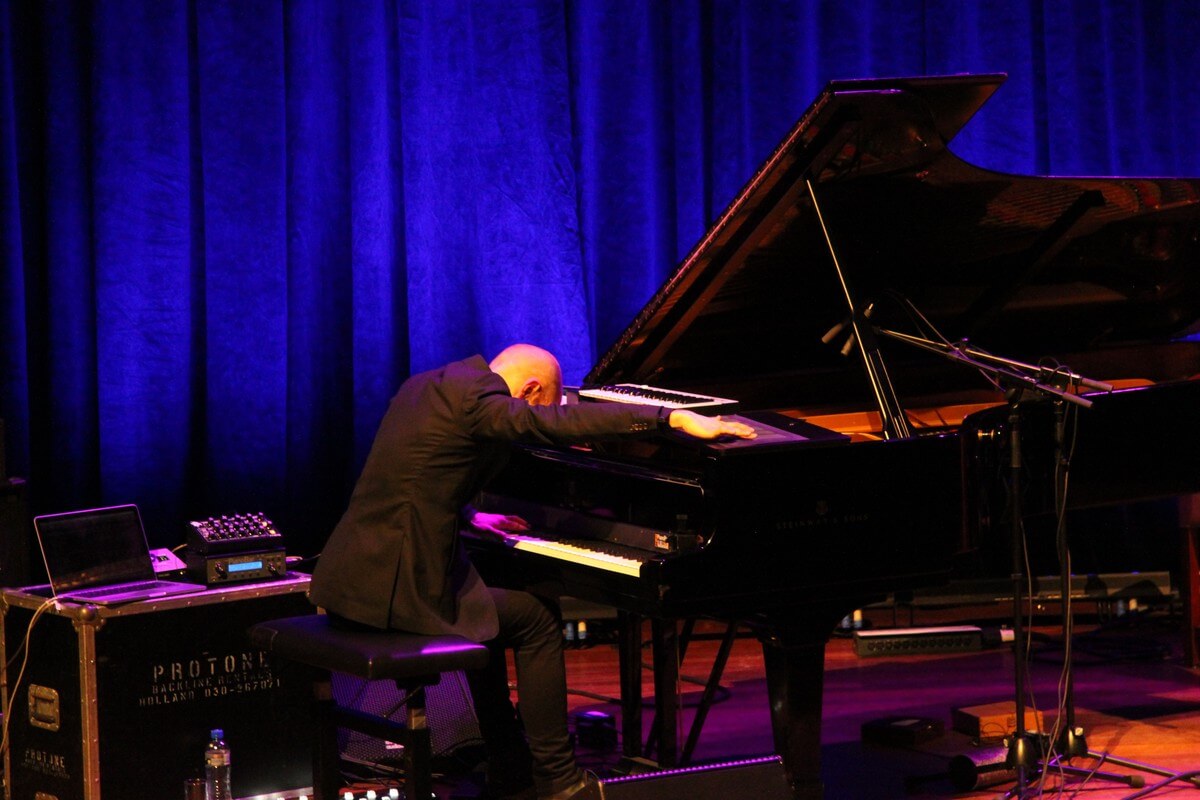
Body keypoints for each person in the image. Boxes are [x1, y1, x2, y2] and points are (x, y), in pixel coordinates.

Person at [309, 344, 754, 800]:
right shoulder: (482, 403)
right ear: (530, 389)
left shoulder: (427, 386)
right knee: (537, 617)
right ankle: (559, 781)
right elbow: (550, 425)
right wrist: (669, 418)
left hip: (350, 579)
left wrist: (470, 516)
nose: (541, 414)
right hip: (395, 593)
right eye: (547, 401)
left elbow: (414, 478)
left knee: (487, 601)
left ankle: (509, 762)